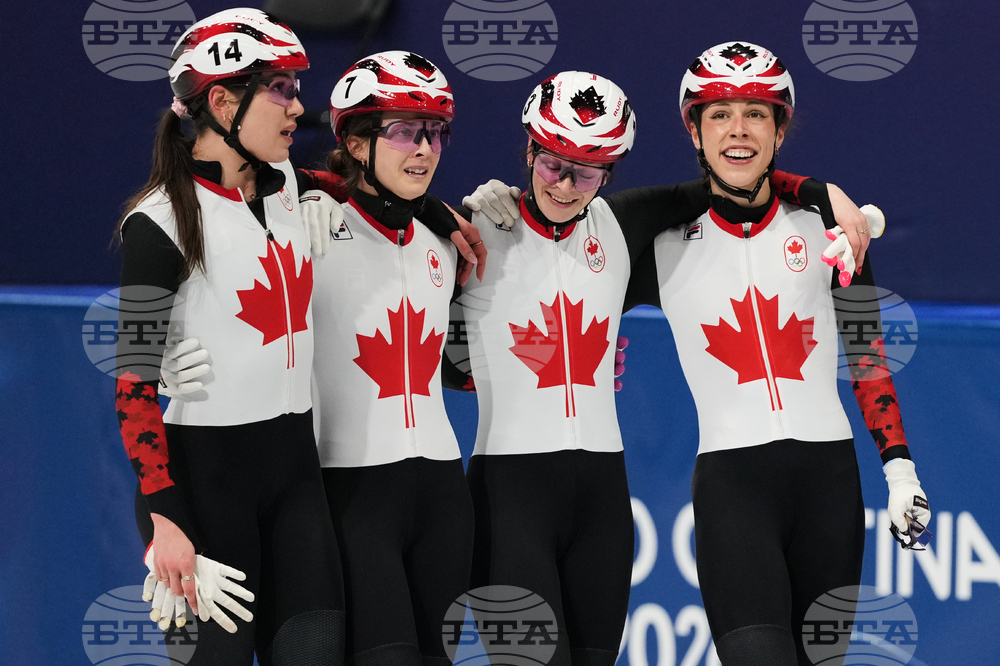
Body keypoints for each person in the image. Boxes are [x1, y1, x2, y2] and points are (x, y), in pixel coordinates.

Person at [450, 70, 873, 666]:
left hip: (601, 508)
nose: (568, 185)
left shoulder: (624, 226)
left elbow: (737, 175)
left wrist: (823, 191)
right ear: (528, 149)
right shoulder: (476, 233)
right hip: (508, 502)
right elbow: (439, 364)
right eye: (553, 164)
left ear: (612, 173)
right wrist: (449, 222)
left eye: (589, 171)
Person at [620, 42, 930, 665]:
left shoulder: (829, 228)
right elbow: (563, 226)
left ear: (780, 129)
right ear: (694, 129)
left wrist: (901, 472)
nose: (738, 130)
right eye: (719, 114)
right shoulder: (656, 236)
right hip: (735, 492)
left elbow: (867, 355)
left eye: (757, 113)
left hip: (830, 490)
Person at [114, 9, 345, 665]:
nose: (299, 107)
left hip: (297, 479)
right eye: (282, 89)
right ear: (221, 100)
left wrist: (458, 215)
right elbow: (132, 390)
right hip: (203, 493)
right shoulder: (156, 223)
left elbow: (388, 199)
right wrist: (165, 525)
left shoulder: (295, 188)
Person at [311, 51, 476, 666]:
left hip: (441, 492)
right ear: (355, 142)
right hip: (352, 492)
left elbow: (448, 362)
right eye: (405, 131)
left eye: (435, 131)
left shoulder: (444, 240)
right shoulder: (312, 219)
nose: (425, 148)